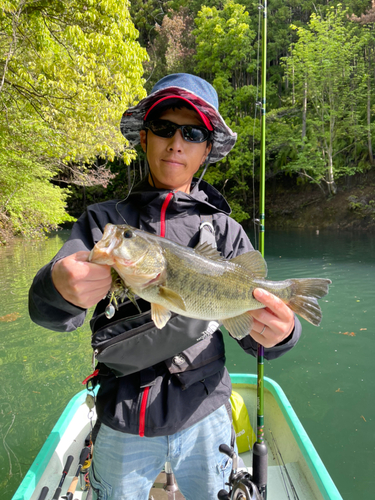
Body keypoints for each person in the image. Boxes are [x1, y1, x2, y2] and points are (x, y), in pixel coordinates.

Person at [29, 73, 301, 500]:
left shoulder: (226, 232)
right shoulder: (106, 225)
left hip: (205, 412)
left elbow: (256, 337)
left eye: (192, 133)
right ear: (144, 139)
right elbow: (48, 314)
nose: (176, 142)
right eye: (163, 128)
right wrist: (57, 286)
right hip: (122, 419)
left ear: (206, 149)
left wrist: (283, 333)